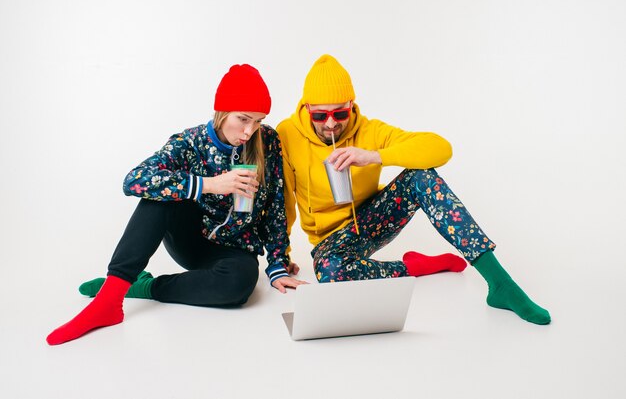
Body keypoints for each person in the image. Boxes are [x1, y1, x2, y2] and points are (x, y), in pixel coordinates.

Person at [275, 54, 550, 325]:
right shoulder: (287, 134)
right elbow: (283, 198)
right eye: (320, 115)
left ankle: (500, 283)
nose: (331, 123)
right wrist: (282, 255)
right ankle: (415, 266)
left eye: (340, 113)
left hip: (373, 221)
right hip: (330, 241)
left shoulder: (370, 131)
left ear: (351, 105)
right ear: (307, 107)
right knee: (329, 273)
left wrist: (373, 155)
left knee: (422, 176)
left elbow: (441, 148)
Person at [47, 64, 304, 345]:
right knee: (159, 195)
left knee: (241, 286)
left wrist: (277, 264)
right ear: (221, 112)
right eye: (243, 119)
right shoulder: (189, 142)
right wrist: (209, 184)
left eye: (257, 120)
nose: (249, 130)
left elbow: (276, 206)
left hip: (235, 251)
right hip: (190, 240)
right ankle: (111, 297)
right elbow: (133, 180)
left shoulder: (267, 141)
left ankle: (144, 286)